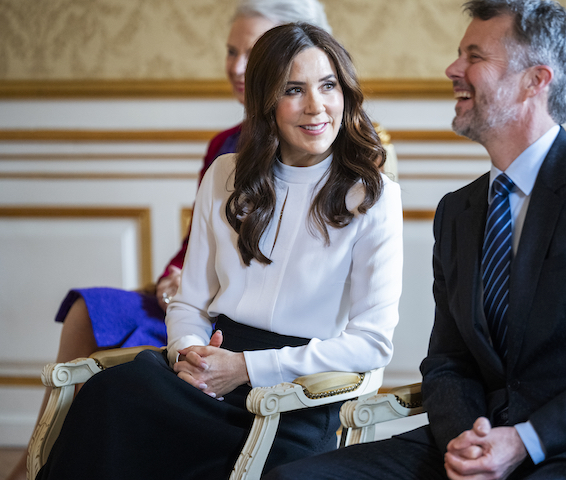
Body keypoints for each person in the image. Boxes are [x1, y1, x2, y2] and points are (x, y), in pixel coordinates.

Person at [265, 1, 566, 479]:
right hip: (475, 438)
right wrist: (467, 440)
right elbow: (448, 361)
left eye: (474, 56)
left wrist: (526, 441)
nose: (453, 69)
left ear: (535, 80)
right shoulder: (457, 212)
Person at [35, 22, 402, 480]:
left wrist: (245, 368)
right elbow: (189, 303)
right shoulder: (224, 175)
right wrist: (191, 357)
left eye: (328, 85)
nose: (316, 106)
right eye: (294, 90)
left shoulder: (372, 196)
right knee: (112, 394)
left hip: (296, 395)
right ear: (266, 102)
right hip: (207, 375)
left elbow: (371, 344)